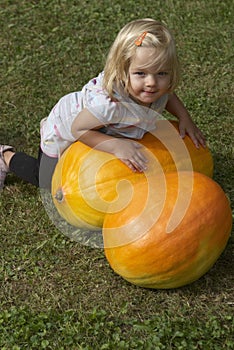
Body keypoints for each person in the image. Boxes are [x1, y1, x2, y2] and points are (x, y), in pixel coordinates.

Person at [0, 18, 206, 191]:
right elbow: (78, 128)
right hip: (70, 127)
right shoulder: (109, 105)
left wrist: (184, 118)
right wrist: (116, 145)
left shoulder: (153, 90)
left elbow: (168, 96)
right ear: (123, 72)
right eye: (140, 73)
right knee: (47, 182)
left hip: (100, 126)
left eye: (161, 73)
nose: (152, 83)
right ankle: (6, 157)